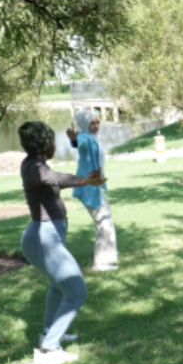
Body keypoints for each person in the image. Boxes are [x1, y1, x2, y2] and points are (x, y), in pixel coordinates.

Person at [18, 121, 105, 364]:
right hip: (43, 239)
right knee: (77, 291)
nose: (57, 143)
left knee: (59, 287)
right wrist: (84, 181)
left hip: (46, 237)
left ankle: (49, 332)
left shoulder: (35, 164)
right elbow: (54, 178)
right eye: (54, 140)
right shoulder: (34, 168)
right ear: (45, 144)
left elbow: (51, 178)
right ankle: (48, 350)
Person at [67, 110, 118, 271]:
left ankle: (106, 259)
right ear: (84, 125)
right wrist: (74, 139)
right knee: (104, 221)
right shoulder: (85, 137)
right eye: (92, 123)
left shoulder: (94, 138)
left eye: (97, 122)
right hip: (89, 186)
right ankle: (102, 262)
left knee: (104, 221)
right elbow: (79, 144)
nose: (95, 126)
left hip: (94, 185)